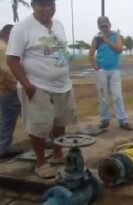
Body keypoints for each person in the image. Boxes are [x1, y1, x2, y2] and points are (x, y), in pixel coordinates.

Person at [6, 0, 77, 178]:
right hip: (37, 86)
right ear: (33, 6)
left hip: (62, 85)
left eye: (50, 4)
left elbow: (61, 51)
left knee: (60, 122)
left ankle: (58, 154)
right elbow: (12, 60)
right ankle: (41, 163)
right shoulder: (22, 27)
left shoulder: (59, 25)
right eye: (41, 4)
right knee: (38, 126)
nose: (47, 8)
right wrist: (27, 85)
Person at [88, 16, 132, 130]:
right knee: (103, 97)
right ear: (99, 26)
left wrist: (107, 40)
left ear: (109, 24)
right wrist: (96, 68)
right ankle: (105, 119)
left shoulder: (115, 35)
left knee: (117, 96)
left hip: (114, 71)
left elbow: (119, 49)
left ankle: (123, 120)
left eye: (106, 25)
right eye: (102, 25)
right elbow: (90, 55)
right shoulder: (96, 39)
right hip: (101, 71)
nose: (104, 27)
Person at [0, 24, 22, 160]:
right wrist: (18, 86)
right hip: (8, 89)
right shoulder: (3, 49)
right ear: (8, 34)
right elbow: (6, 72)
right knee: (29, 113)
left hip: (4, 90)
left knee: (8, 118)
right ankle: (4, 147)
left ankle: (4, 147)